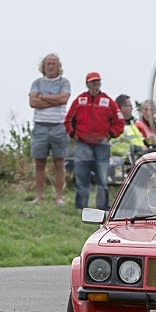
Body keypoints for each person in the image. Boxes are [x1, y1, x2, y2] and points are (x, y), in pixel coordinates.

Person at [64, 72, 125, 210]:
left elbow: (119, 122)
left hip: (102, 145)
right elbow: (68, 120)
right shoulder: (79, 101)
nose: (95, 84)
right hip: (82, 144)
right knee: (81, 176)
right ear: (87, 84)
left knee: (103, 178)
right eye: (92, 81)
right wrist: (73, 134)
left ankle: (102, 209)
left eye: (97, 81)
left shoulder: (109, 102)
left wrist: (109, 135)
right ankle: (81, 208)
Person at [28, 53, 71, 206]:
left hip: (58, 126)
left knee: (59, 162)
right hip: (40, 126)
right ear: (43, 66)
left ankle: (59, 197)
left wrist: (44, 97)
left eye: (54, 63)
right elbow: (33, 102)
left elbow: (64, 99)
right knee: (39, 162)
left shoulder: (64, 82)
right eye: (48, 64)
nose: (51, 66)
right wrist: (54, 99)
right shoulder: (37, 83)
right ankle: (39, 196)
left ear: (59, 66)